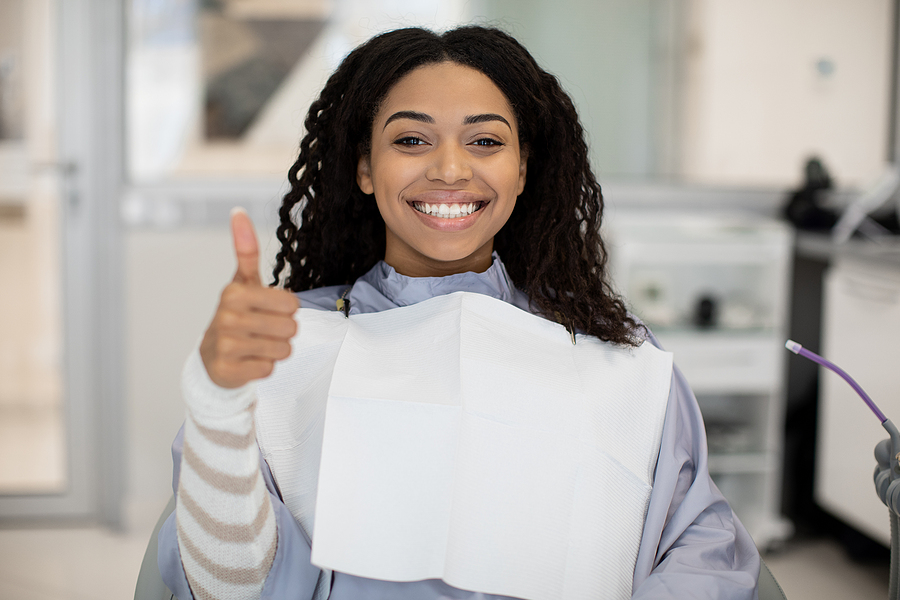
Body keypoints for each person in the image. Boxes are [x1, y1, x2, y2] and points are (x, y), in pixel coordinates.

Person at [158, 25, 760, 600]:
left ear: (522, 168)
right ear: (366, 168)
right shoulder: (284, 349)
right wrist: (217, 400)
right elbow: (233, 587)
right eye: (411, 140)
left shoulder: (616, 358)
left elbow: (699, 551)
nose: (450, 170)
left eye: (486, 141)